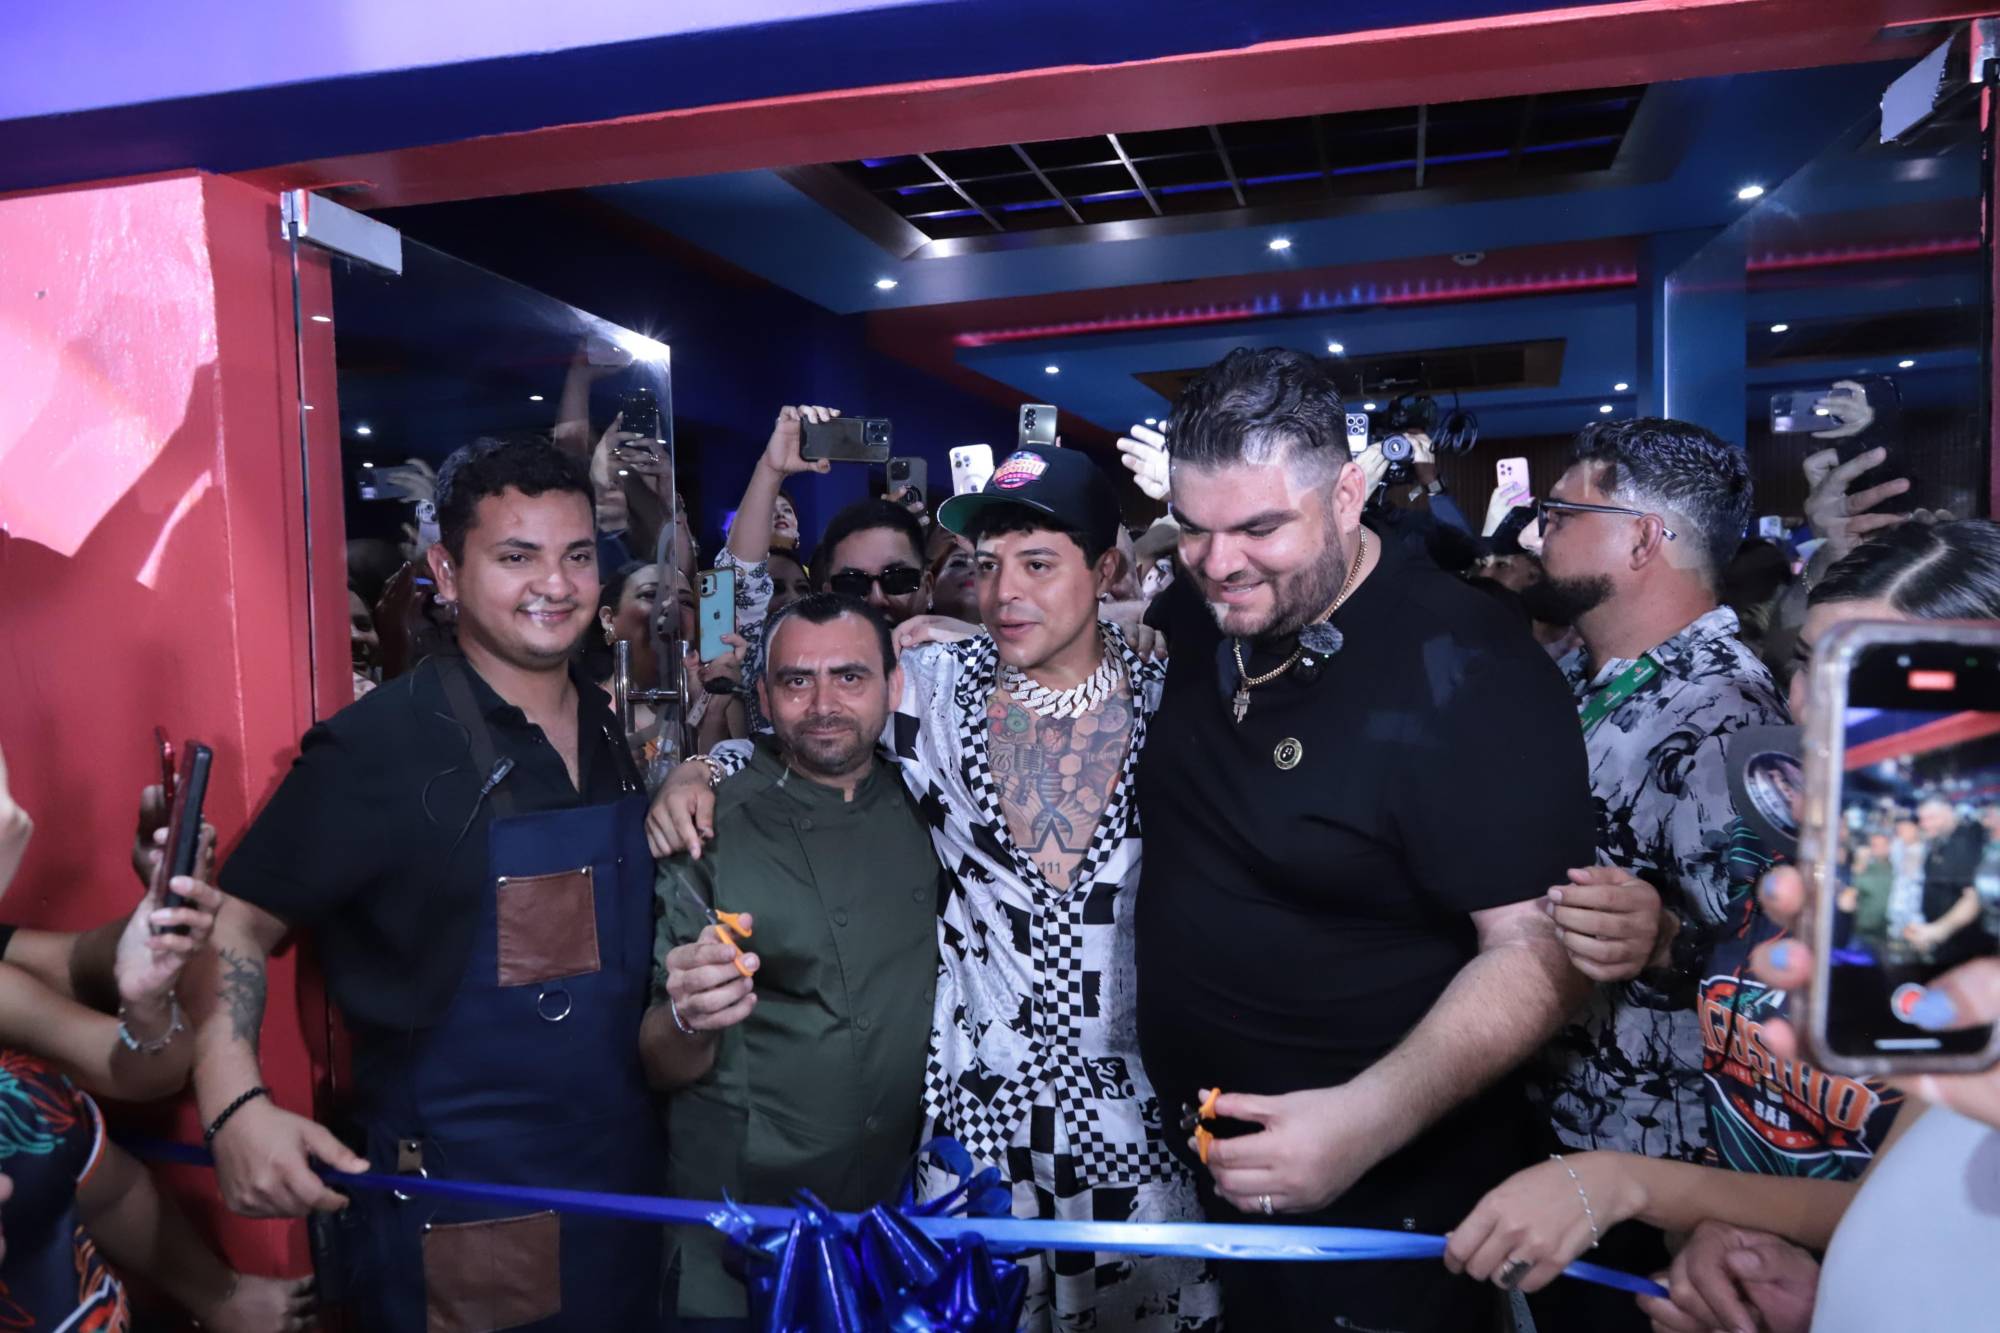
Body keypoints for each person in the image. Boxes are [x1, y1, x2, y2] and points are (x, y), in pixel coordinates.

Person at [650, 445, 1222, 1331]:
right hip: (977, 1136)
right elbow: (778, 674)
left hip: (1139, 1127)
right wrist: (700, 766)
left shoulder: (1175, 699)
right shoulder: (929, 690)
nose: (1003, 593)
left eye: (1037, 563)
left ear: (1107, 568)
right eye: (987, 566)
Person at [1129, 347, 1595, 1332]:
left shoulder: (1466, 665)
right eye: (1194, 528)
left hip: (1384, 1203)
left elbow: (1540, 945)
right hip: (1210, 1175)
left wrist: (1364, 1119)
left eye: (1260, 528)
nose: (1219, 563)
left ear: (1347, 495)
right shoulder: (1209, 603)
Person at [186, 437, 665, 1332]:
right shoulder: (379, 745)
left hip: (623, 1198)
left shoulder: (606, 726)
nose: (554, 584)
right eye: (516, 557)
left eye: (576, 556)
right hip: (468, 1211)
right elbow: (232, 925)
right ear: (446, 572)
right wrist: (234, 1104)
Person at [1636, 519, 2000, 1333]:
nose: (1806, 703)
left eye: (1868, 676)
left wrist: (1628, 1185)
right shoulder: (1780, 837)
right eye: (1808, 662)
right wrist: (1714, 1232)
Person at [1513, 417, 1787, 1327]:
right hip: (1564, 1125)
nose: (1537, 533)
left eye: (1561, 513)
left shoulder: (1729, 713)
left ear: (1641, 537)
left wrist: (1669, 939)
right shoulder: (1585, 672)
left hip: (1656, 1173)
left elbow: (1783, 971)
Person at [641, 594, 939, 1326]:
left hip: (891, 1221)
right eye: (797, 681)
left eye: (850, 677)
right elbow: (656, 1058)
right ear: (766, 696)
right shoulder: (711, 825)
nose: (823, 704)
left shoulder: (934, 804)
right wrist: (689, 1015)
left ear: (894, 686)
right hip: (738, 1229)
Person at [1910, 797, 1992, 967]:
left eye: (1932, 818)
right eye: (1922, 819)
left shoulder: (1967, 843)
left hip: (1964, 947)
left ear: (1949, 813)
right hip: (1944, 943)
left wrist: (1938, 930)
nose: (1925, 824)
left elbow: (1973, 897)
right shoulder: (1939, 842)